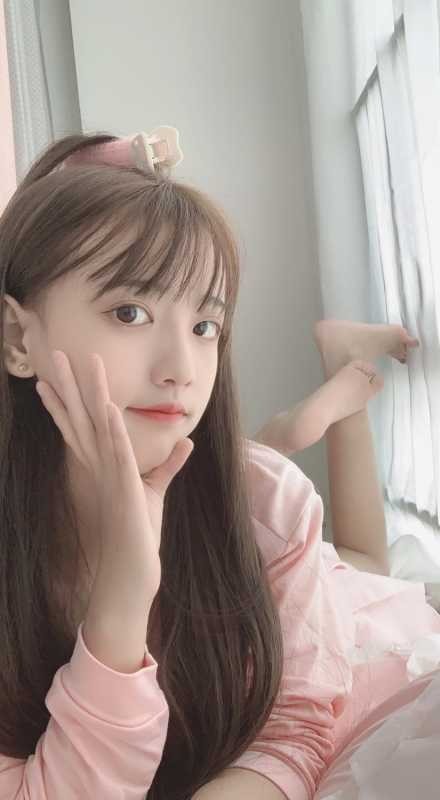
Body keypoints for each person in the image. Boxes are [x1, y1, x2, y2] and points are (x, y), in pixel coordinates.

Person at [0, 127, 438, 800]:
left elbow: (294, 729)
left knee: (360, 566)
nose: (181, 369)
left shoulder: (264, 502)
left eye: (206, 327)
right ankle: (324, 395)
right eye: (129, 312)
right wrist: (123, 600)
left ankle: (337, 388)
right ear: (16, 337)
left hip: (332, 603)